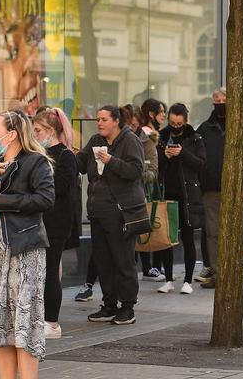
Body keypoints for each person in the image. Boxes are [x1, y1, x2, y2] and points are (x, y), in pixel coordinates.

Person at [0, 110, 55, 378]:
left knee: (23, 320)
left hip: (24, 248)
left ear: (12, 134)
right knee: (1, 321)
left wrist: (2, 202)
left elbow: (45, 199)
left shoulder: (36, 162)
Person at [83, 105, 146, 324]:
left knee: (123, 260)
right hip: (98, 211)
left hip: (121, 213)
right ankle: (109, 304)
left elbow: (137, 171)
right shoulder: (95, 141)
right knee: (103, 260)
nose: (99, 123)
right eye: (98, 119)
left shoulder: (129, 141)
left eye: (103, 119)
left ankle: (127, 307)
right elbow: (82, 164)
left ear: (116, 121)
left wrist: (112, 161)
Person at [196, 88, 243, 289]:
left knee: (236, 230)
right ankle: (216, 272)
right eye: (217, 99)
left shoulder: (242, 125)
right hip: (211, 188)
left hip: (237, 188)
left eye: (224, 99)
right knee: (213, 232)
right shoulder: (205, 129)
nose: (221, 102)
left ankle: (234, 270)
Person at [32, 107, 80, 339]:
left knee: (50, 270)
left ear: (51, 130)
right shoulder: (40, 154)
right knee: (40, 270)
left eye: (38, 130)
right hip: (39, 219)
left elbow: (62, 188)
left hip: (56, 221)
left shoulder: (65, 156)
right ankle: (39, 317)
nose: (35, 134)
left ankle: (51, 322)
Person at [155, 103, 205, 294]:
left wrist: (182, 153)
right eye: (173, 123)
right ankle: (168, 279)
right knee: (166, 238)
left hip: (187, 195)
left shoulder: (194, 137)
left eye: (179, 123)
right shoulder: (161, 137)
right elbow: (153, 164)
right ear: (168, 119)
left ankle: (187, 281)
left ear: (185, 121)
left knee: (188, 236)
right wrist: (165, 155)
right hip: (167, 193)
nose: (176, 127)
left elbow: (201, 163)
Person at [136, 99, 164, 281]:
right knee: (148, 222)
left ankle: (150, 266)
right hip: (148, 186)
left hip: (152, 183)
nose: (164, 115)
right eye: (161, 112)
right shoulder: (146, 135)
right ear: (151, 114)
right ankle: (150, 266)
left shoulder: (154, 134)